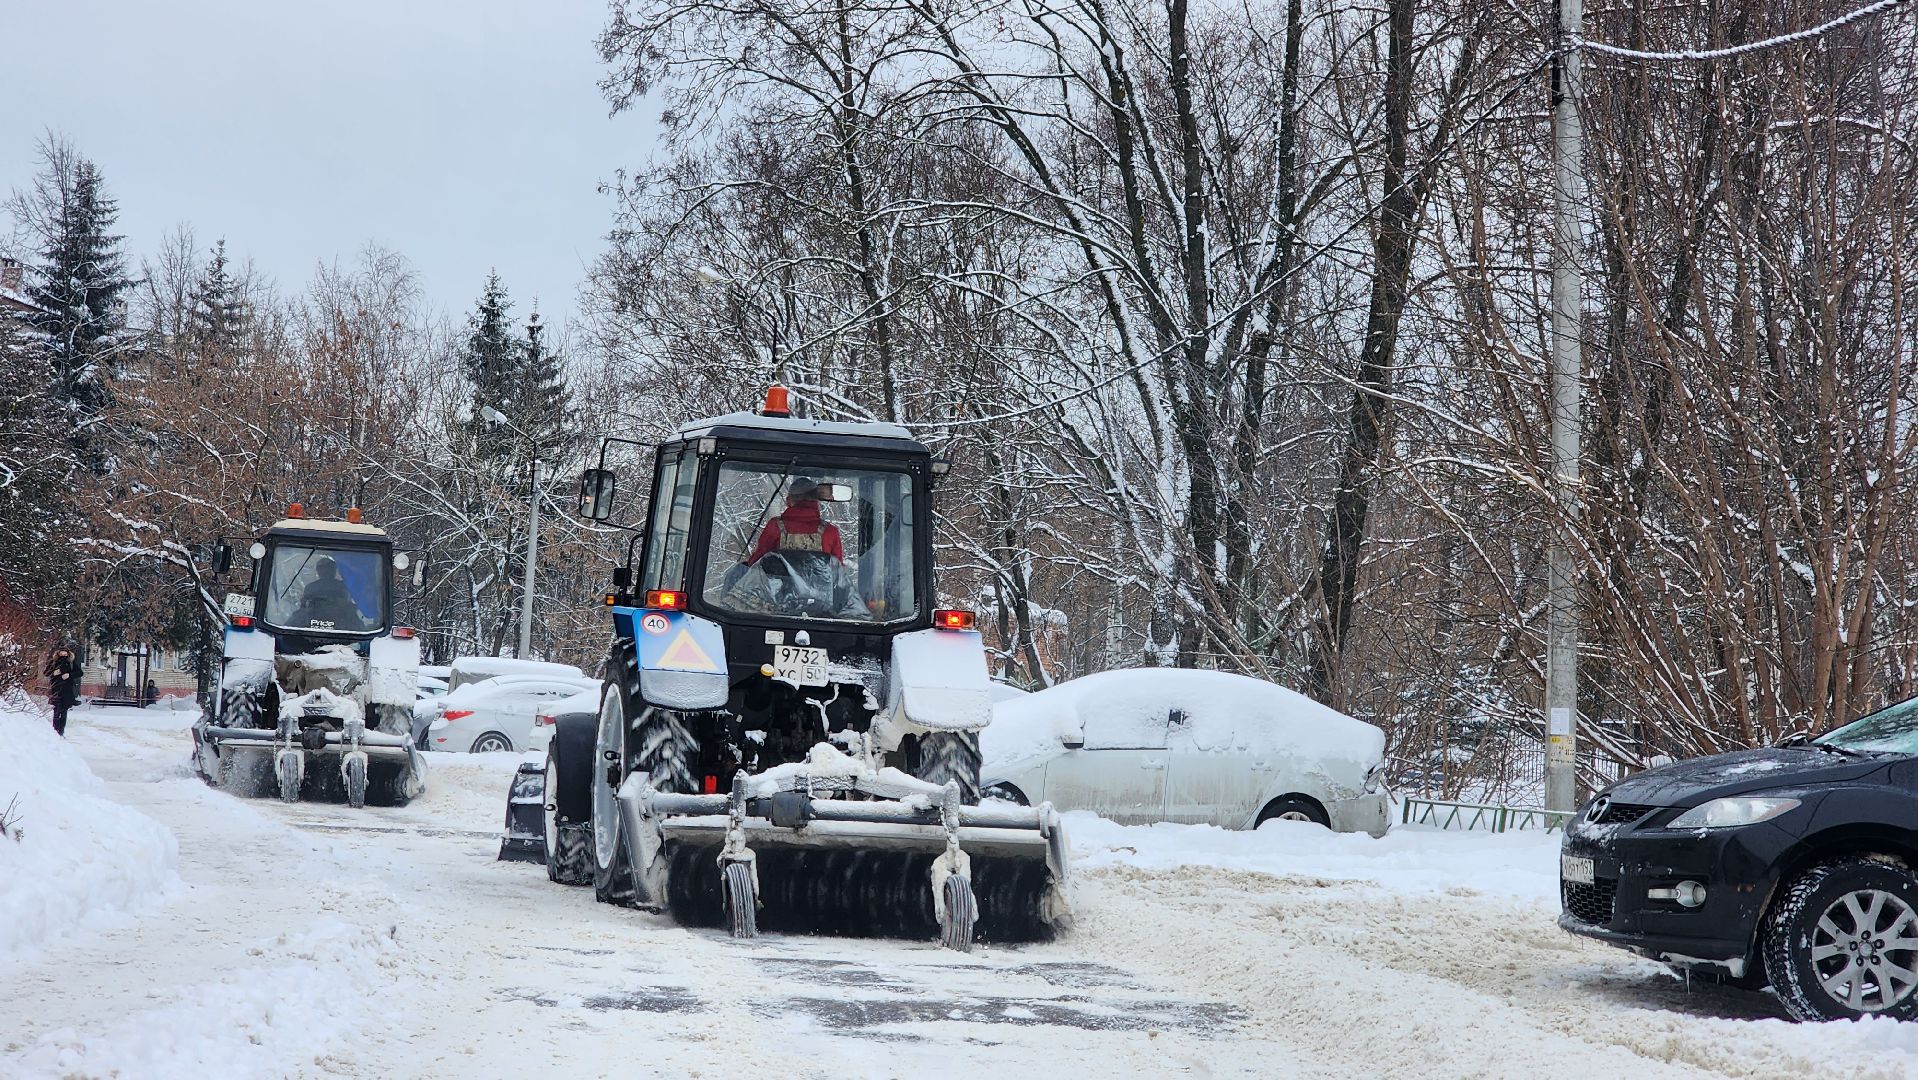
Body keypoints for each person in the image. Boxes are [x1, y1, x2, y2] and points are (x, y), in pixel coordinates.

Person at [743, 477, 845, 567]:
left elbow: (756, 563)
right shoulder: (830, 532)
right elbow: (838, 574)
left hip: (779, 589)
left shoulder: (775, 527)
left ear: (788, 501)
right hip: (820, 589)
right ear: (816, 501)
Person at [292, 555, 365, 629]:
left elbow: (349, 605)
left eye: (329, 568)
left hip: (343, 623)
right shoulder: (311, 588)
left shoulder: (343, 586)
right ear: (318, 570)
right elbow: (304, 606)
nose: (326, 571)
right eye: (322, 569)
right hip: (311, 623)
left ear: (334, 569)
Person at [42, 646, 79, 736]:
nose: (63, 654)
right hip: (56, 689)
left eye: (65, 653)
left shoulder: (71, 662)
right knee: (56, 711)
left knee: (64, 712)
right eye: (61, 652)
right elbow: (46, 673)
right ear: (58, 653)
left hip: (67, 691)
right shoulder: (54, 662)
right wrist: (54, 673)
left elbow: (79, 672)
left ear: (68, 653)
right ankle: (56, 731)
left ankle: (61, 731)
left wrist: (69, 675)